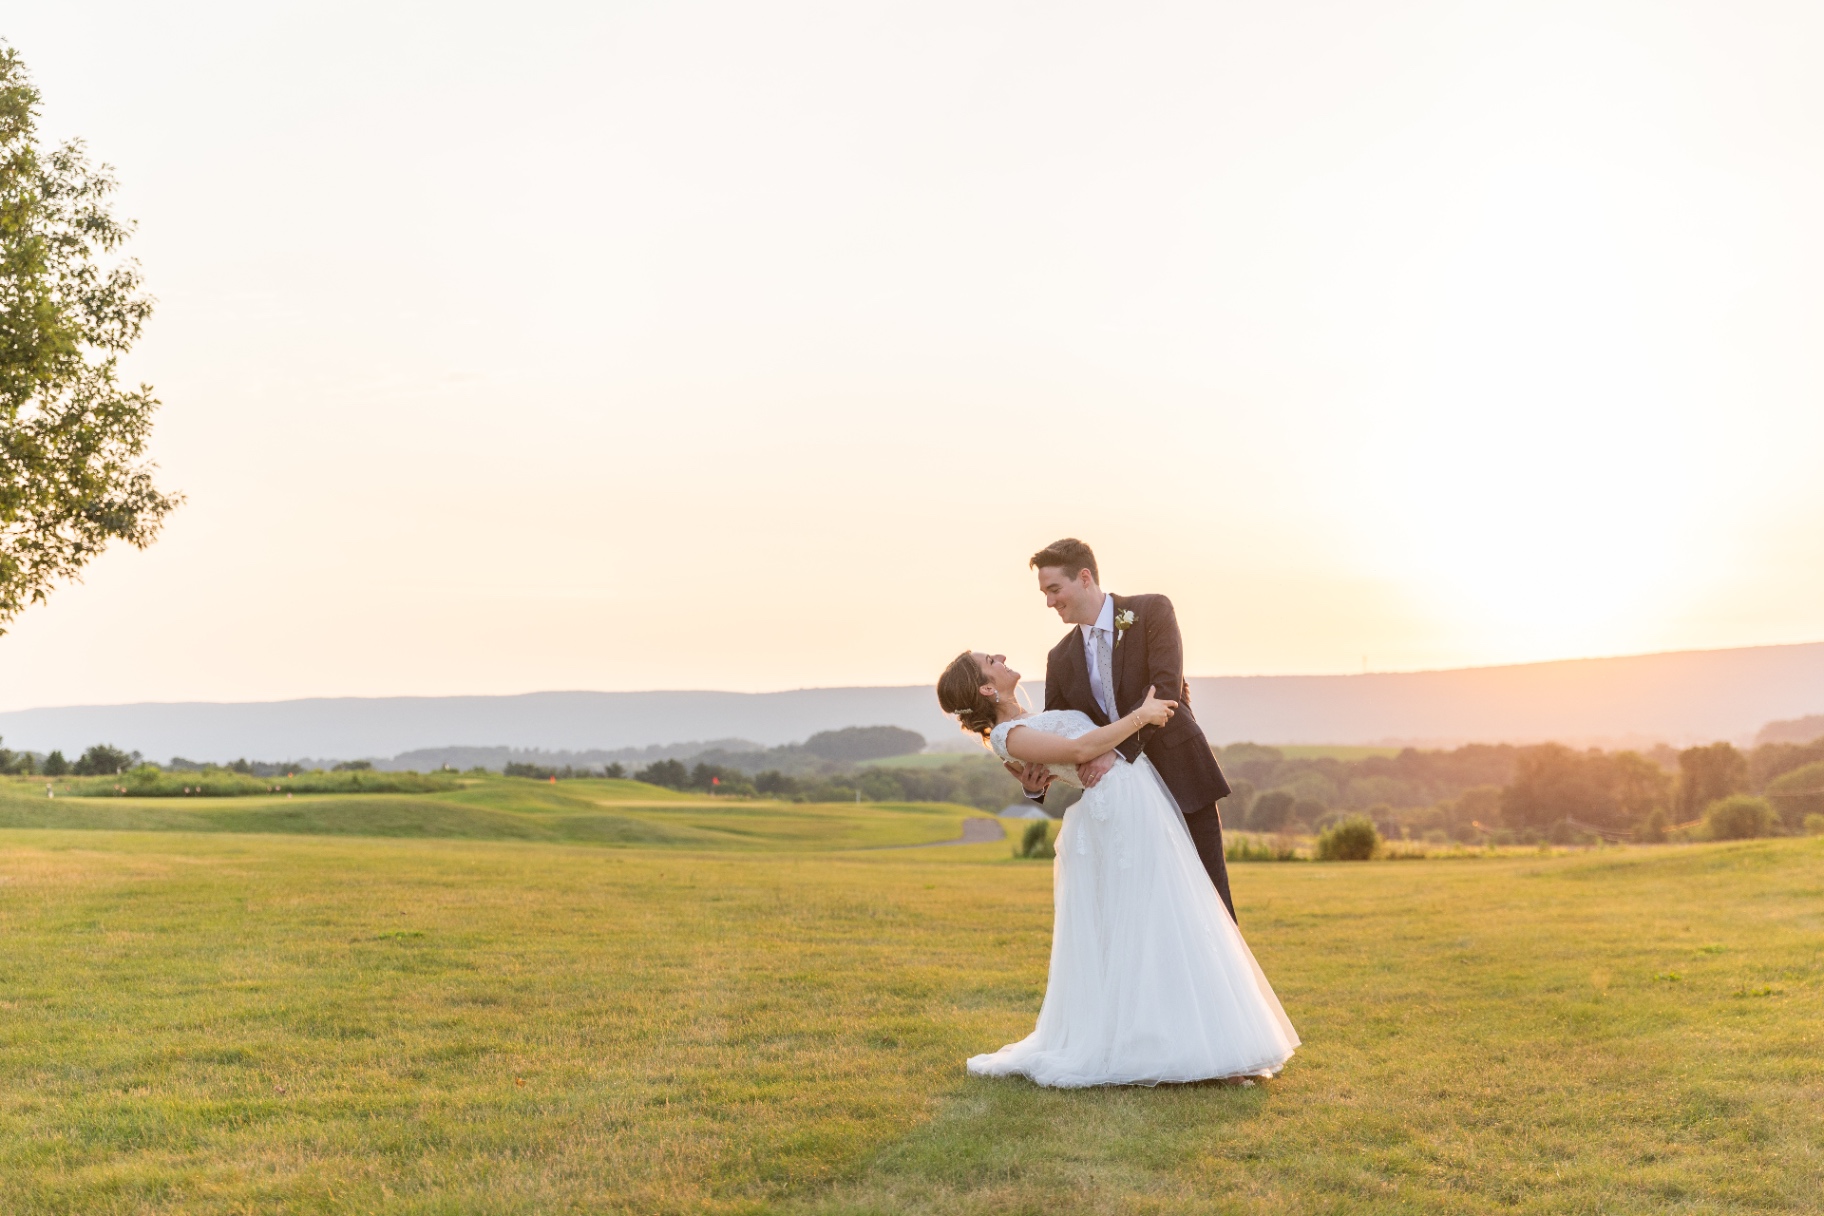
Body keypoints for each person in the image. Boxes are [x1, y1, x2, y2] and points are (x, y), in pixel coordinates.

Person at [937, 649, 1298, 1087]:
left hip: (1136, 799)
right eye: (989, 661)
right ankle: (1173, 1048)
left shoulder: (1029, 719)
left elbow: (1059, 762)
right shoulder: (1008, 736)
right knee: (1160, 918)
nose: (1000, 655)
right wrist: (1142, 715)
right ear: (986, 688)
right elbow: (1080, 748)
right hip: (1119, 812)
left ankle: (1205, 1043)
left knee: (1176, 915)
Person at [1013, 538, 1239, 921]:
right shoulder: (1060, 658)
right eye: (1045, 593)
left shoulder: (1151, 611)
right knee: (1144, 914)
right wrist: (1036, 785)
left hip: (1183, 778)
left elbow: (1165, 693)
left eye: (1054, 589)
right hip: (1123, 801)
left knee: (1210, 904)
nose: (1049, 602)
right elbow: (1063, 734)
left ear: (1085, 578)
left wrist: (1113, 750)